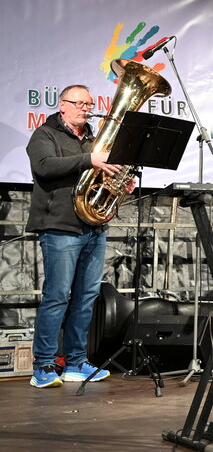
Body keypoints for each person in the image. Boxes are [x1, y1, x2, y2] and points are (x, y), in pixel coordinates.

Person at [26, 85, 124, 388]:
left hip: (93, 227)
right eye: (78, 103)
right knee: (57, 297)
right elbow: (44, 168)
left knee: (86, 299)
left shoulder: (94, 140)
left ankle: (75, 362)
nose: (85, 108)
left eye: (89, 103)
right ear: (62, 105)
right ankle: (42, 366)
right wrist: (89, 160)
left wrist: (119, 183)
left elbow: (97, 179)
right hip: (60, 227)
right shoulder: (45, 135)